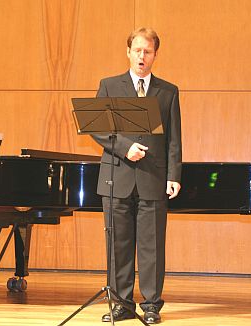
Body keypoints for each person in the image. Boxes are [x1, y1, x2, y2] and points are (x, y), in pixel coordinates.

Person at [92, 27, 182, 324]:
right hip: (116, 177)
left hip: (153, 178)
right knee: (118, 244)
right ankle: (121, 304)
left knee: (152, 245)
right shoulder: (108, 85)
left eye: (148, 51)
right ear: (128, 52)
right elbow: (98, 128)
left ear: (155, 55)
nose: (142, 56)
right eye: (137, 50)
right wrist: (124, 147)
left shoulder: (168, 91)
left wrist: (174, 174)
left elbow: (173, 139)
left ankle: (152, 304)